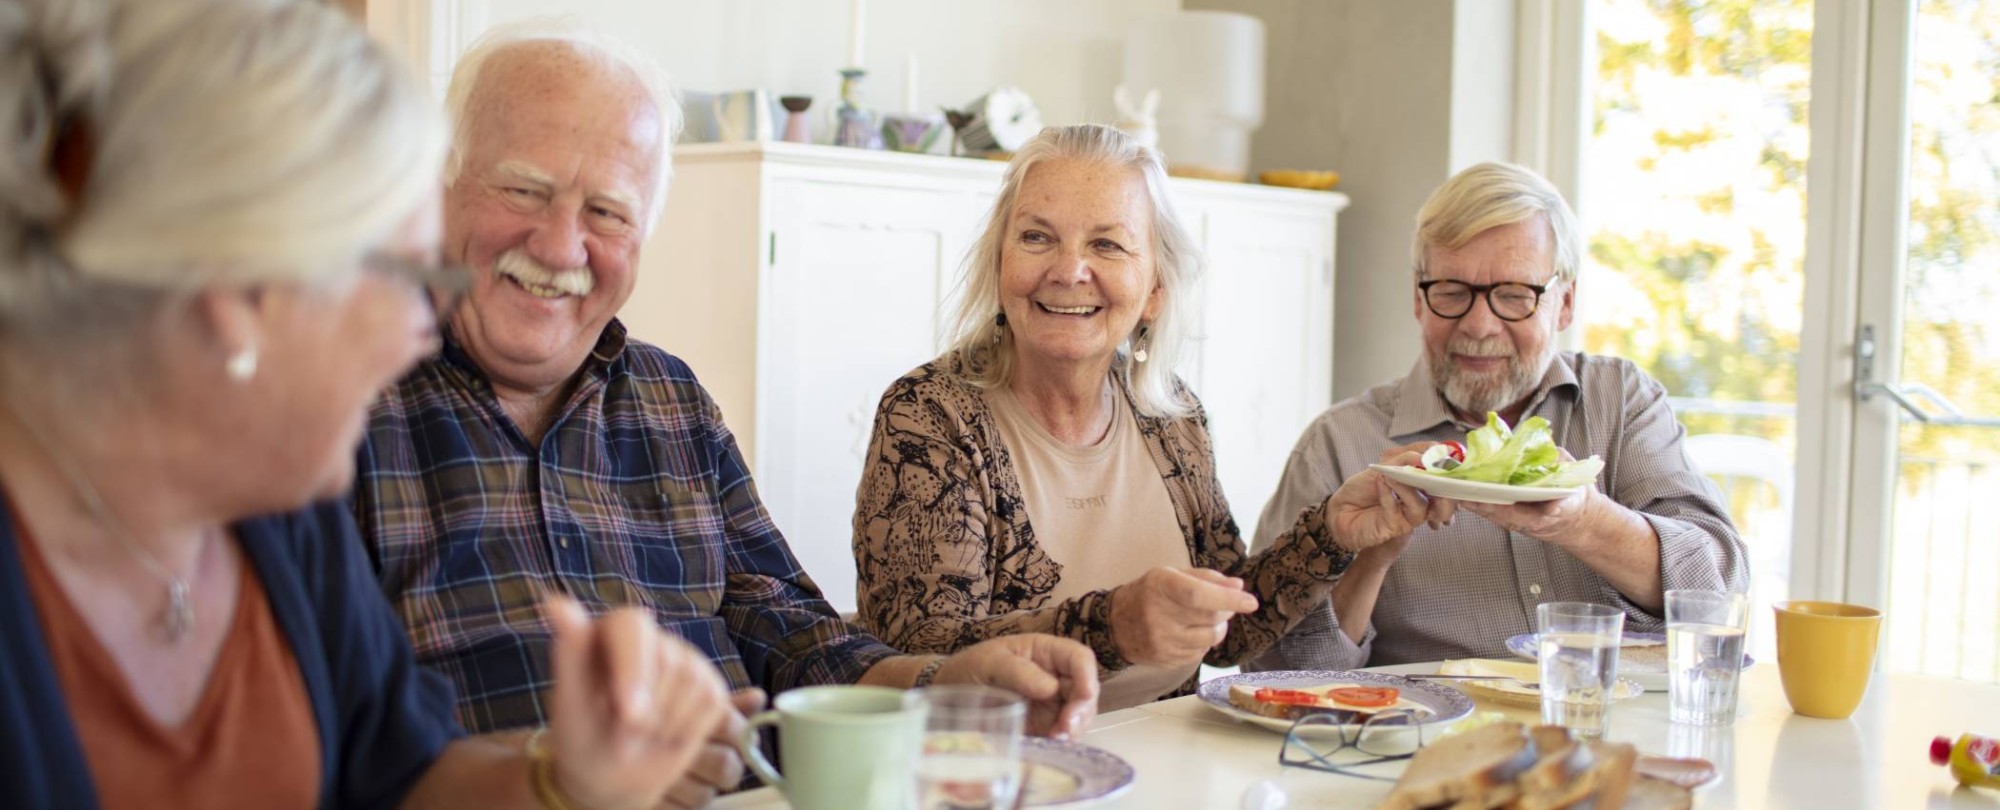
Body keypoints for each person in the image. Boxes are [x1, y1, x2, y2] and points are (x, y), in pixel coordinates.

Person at [0, 1, 734, 808]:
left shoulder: (269, 511)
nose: (424, 335)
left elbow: (406, 776)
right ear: (241, 292)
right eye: (408, 280)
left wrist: (565, 782)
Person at [351, 22, 1100, 807]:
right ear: (437, 187)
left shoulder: (670, 399)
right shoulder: (342, 407)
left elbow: (786, 626)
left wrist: (938, 680)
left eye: (607, 212)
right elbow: (318, 742)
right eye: (524, 190)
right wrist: (560, 780)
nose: (562, 244)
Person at [849, 125, 1434, 711]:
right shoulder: (928, 415)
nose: (1069, 269)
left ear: (1155, 287)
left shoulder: (1170, 415)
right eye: (1036, 237)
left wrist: (1332, 532)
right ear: (1000, 264)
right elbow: (921, 653)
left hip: (1165, 758)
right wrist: (1116, 625)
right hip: (998, 769)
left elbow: (1228, 630)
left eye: (1107, 244)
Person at [1247, 162, 1749, 672]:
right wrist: (1370, 557)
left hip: (1610, 728)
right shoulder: (1339, 443)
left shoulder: (1620, 402)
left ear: (1565, 303)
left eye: (1514, 295)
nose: (1480, 325)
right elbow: (1269, 674)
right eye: (1452, 291)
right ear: (1418, 299)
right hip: (1427, 740)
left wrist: (1584, 521)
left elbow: (1719, 592)